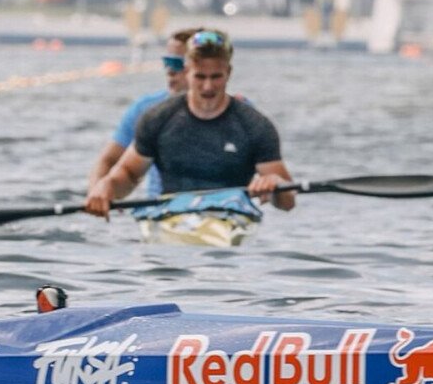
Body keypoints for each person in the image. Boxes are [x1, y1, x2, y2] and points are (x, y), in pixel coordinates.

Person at [83, 29, 292, 246]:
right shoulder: (158, 118)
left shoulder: (254, 125)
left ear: (228, 73)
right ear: (187, 71)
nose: (208, 87)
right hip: (169, 219)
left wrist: (275, 185)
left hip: (230, 221)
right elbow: (128, 174)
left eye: (216, 77)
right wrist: (106, 186)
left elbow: (288, 201)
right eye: (200, 77)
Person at [87, 27, 201, 203]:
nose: (170, 71)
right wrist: (98, 194)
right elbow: (109, 161)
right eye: (167, 62)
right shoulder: (146, 109)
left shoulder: (241, 113)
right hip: (162, 209)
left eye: (178, 64)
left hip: (224, 210)